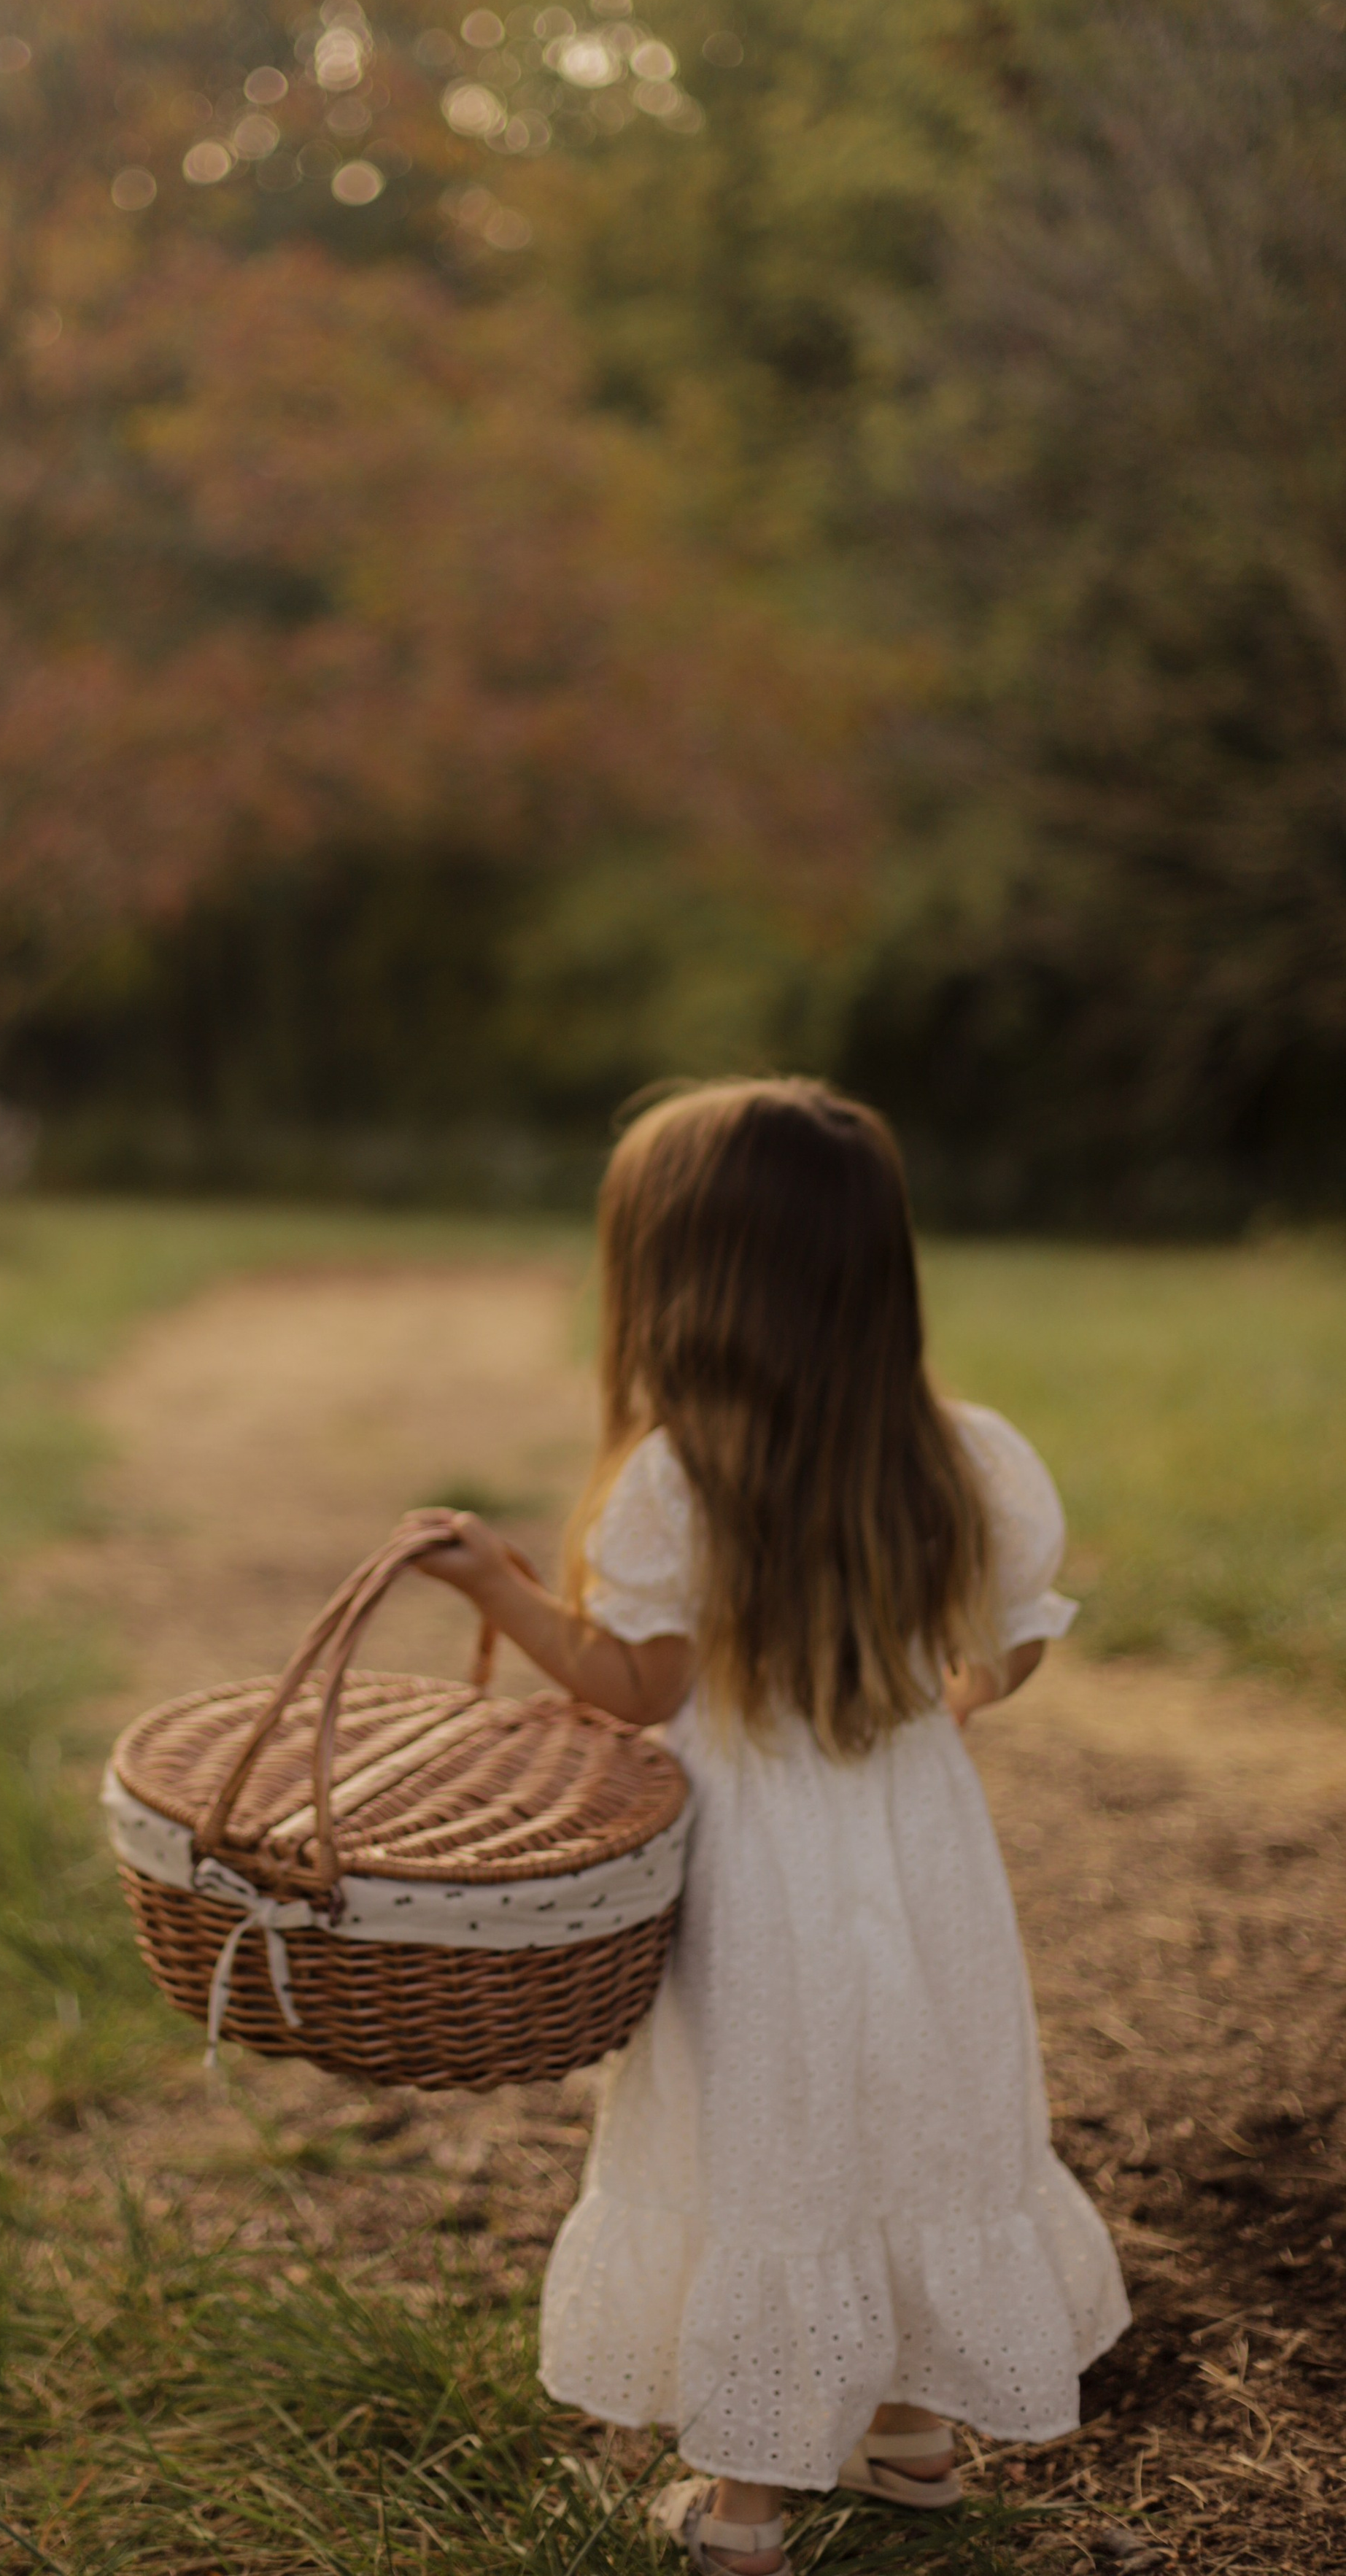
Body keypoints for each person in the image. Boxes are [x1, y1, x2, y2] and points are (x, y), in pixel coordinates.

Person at [409, 1080, 1129, 2576]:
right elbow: (1013, 1640)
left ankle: (742, 2509)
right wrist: (944, 1702)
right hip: (920, 1852)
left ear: (683, 1283)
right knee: (915, 2110)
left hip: (757, 1873)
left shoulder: (679, 1479)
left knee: (770, 2143)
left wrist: (496, 1586)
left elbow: (635, 1685)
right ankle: (914, 2439)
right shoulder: (967, 1456)